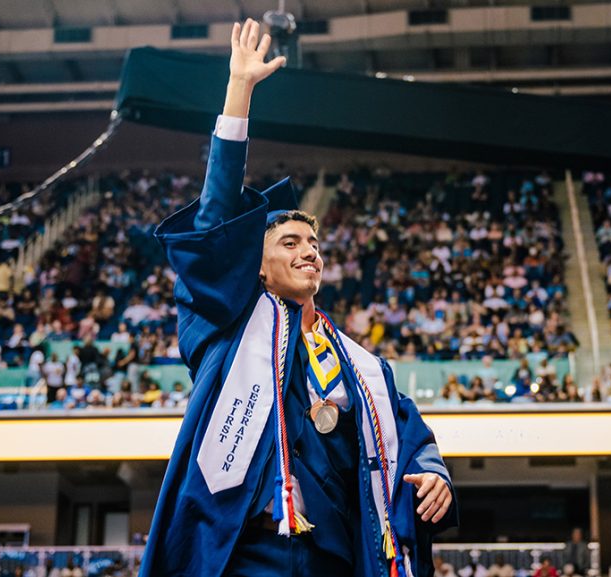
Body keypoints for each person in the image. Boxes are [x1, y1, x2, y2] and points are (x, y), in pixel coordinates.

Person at [139, 19, 456, 577]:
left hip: (331, 557)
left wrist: (433, 471)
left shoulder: (359, 366)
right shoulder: (228, 325)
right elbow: (215, 221)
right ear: (253, 265)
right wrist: (238, 94)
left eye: (314, 242)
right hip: (242, 552)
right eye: (290, 242)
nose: (310, 251)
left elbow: (407, 433)